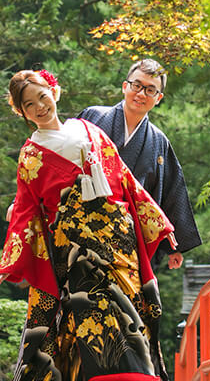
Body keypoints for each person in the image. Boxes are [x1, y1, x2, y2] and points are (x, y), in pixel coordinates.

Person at [0, 68, 177, 381]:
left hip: (115, 238)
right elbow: (27, 210)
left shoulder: (90, 130)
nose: (40, 106)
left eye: (42, 96)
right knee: (80, 324)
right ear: (22, 113)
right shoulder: (30, 155)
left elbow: (126, 180)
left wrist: (160, 223)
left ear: (54, 91)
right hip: (72, 248)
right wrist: (9, 264)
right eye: (29, 105)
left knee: (126, 318)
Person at [79, 58, 201, 270]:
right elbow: (59, 160)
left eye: (150, 90)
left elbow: (172, 190)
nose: (141, 93)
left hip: (130, 239)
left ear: (159, 98)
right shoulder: (92, 117)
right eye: (137, 85)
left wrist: (174, 245)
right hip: (84, 226)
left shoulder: (158, 141)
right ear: (125, 86)